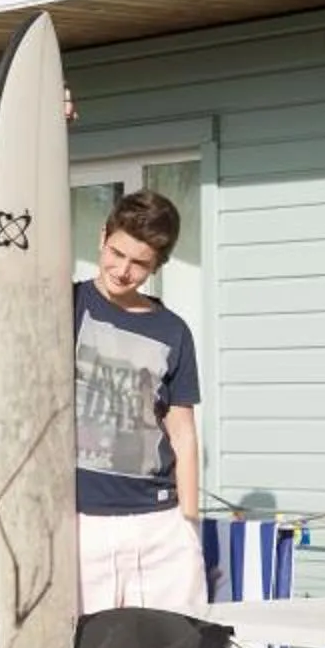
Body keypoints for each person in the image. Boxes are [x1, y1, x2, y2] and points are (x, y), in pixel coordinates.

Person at [74, 189, 204, 610]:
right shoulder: (65, 303)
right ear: (102, 236)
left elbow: (182, 434)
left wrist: (188, 522)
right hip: (81, 521)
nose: (123, 270)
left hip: (158, 523)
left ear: (157, 266)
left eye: (140, 263)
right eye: (117, 253)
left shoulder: (172, 331)